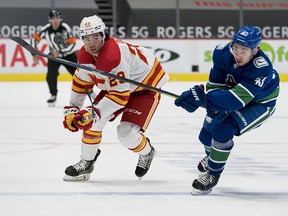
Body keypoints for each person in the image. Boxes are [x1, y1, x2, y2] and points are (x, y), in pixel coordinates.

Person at [174, 25, 280, 195]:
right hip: (234, 95)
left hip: (259, 104)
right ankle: (213, 158)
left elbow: (236, 100)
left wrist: (204, 100)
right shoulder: (222, 53)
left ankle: (212, 174)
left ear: (255, 51)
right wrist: (205, 100)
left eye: (244, 51)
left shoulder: (262, 67)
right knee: (205, 135)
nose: (238, 54)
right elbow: (216, 85)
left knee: (223, 130)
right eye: (235, 48)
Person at [62, 15, 169, 181]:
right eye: (87, 38)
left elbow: (120, 97)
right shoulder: (84, 55)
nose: (91, 43)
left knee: (126, 134)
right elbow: (80, 84)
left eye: (95, 37)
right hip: (119, 87)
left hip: (145, 87)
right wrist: (72, 110)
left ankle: (147, 152)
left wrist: (91, 113)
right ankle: (87, 162)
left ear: (103, 35)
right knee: (94, 122)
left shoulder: (113, 56)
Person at [31, 9, 77, 106]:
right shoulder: (46, 29)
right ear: (49, 19)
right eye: (53, 18)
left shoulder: (65, 28)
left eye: (57, 18)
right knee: (50, 76)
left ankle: (91, 93)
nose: (55, 20)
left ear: (61, 19)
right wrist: (34, 54)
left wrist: (60, 51)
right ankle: (53, 95)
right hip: (54, 57)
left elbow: (72, 43)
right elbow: (34, 39)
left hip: (68, 56)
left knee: (79, 76)